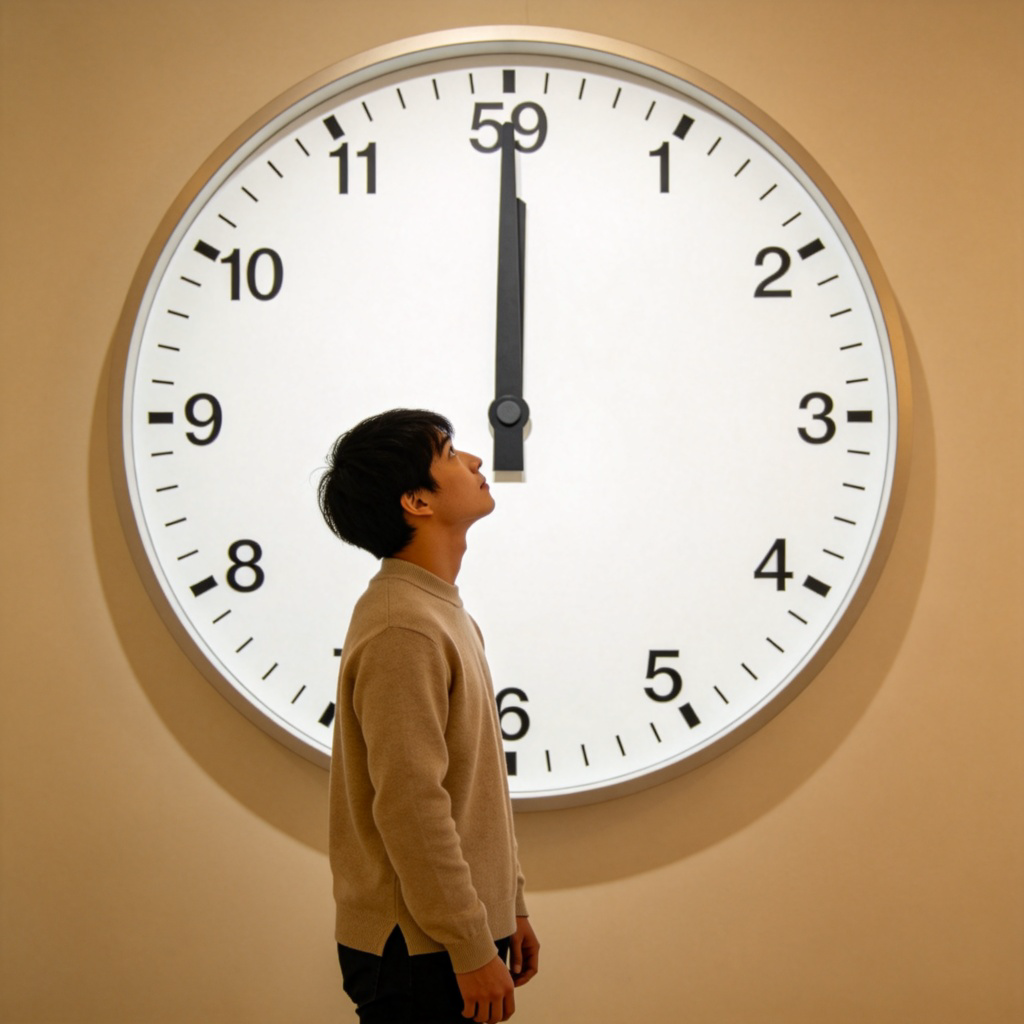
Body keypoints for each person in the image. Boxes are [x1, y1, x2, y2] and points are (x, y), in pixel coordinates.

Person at [317, 409, 539, 1024]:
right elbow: (411, 807)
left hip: (448, 935)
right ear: (416, 500)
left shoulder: (441, 612)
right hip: (419, 949)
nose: (473, 460)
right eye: (449, 453)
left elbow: (476, 785)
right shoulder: (402, 625)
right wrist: (470, 945)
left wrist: (508, 907)